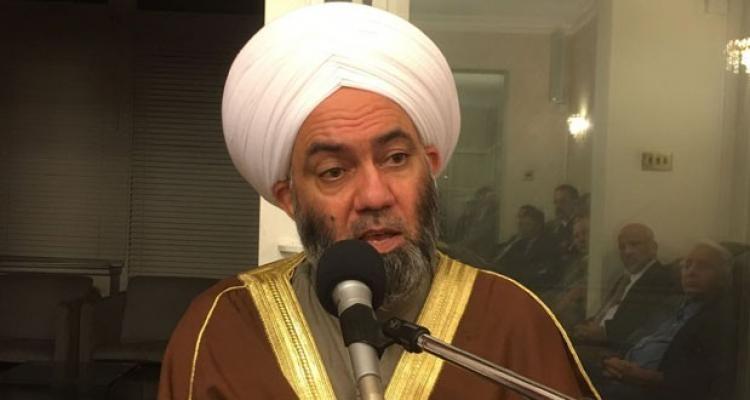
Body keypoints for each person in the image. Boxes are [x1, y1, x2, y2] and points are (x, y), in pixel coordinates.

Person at [157, 4, 599, 400]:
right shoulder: (224, 327)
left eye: (396, 159)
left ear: (430, 166)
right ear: (290, 198)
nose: (374, 196)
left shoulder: (511, 320)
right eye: (334, 171)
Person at [594, 241, 737, 400]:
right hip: (623, 372)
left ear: (723, 277)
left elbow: (694, 383)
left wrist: (639, 375)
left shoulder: (718, 319)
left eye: (703, 266)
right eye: (687, 265)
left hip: (648, 390)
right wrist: (611, 361)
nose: (691, 272)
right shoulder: (673, 303)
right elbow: (638, 336)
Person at [573, 223, 677, 351]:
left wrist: (603, 333)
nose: (627, 252)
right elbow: (605, 312)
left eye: (634, 244)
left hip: (613, 350)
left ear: (653, 248)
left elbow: (638, 324)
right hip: (595, 340)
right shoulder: (624, 279)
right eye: (622, 247)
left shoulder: (659, 278)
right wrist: (585, 327)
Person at [493, 205, 559, 293]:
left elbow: (542, 272)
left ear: (538, 224)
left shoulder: (548, 243)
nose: (521, 226)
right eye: (520, 222)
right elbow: (502, 260)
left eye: (526, 224)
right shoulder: (517, 240)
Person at [546, 184, 580, 257]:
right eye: (556, 202)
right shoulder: (549, 227)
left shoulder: (581, 226)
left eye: (563, 201)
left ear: (575, 202)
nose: (558, 206)